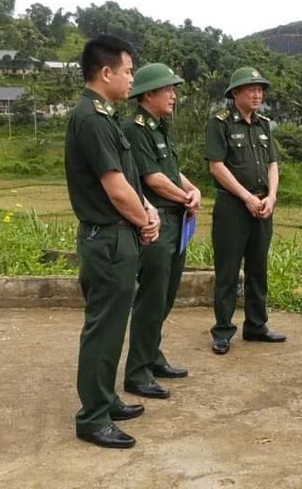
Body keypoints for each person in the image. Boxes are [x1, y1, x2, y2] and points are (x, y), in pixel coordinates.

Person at [65, 35, 161, 449]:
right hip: (107, 240)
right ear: (106, 73)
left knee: (112, 325)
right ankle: (93, 417)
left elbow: (127, 181)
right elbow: (114, 188)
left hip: (117, 238)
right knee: (103, 330)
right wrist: (145, 221)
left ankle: (106, 399)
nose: (131, 79)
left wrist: (147, 209)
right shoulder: (90, 118)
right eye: (127, 72)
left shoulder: (104, 118)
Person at [122, 63, 201, 399]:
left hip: (176, 219)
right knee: (151, 299)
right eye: (168, 89)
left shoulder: (159, 128)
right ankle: (137, 373)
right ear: (149, 94)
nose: (173, 95)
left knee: (166, 296)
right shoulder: (136, 128)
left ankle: (153, 356)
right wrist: (185, 197)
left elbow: (171, 171)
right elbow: (152, 179)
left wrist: (192, 189)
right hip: (156, 223)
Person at [205, 67, 284, 355]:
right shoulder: (220, 123)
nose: (257, 93)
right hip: (232, 207)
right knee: (227, 270)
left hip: (264, 206)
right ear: (235, 93)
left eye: (260, 89)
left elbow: (273, 164)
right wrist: (247, 197)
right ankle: (223, 330)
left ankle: (256, 325)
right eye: (250, 88)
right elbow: (216, 165)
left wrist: (271, 197)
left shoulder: (263, 124)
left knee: (258, 268)